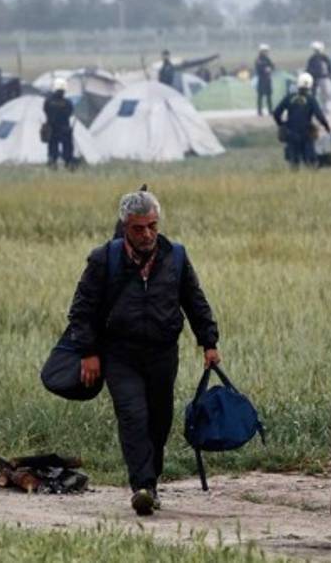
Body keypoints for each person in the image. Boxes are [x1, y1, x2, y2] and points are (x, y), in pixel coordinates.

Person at [67, 190, 220, 517]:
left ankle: (151, 483)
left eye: (152, 225)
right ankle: (143, 487)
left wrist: (209, 342)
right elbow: (81, 311)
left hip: (163, 354)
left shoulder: (175, 256)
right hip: (119, 354)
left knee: (159, 420)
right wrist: (89, 352)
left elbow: (195, 301)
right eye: (139, 228)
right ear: (125, 227)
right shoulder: (103, 259)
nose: (147, 234)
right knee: (133, 416)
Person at [273, 73, 331, 170]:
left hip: (290, 133)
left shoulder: (289, 98)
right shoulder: (311, 99)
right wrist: (327, 127)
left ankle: (294, 182)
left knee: (294, 164)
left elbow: (276, 113)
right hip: (306, 134)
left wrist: (282, 125)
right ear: (310, 85)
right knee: (311, 163)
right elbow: (319, 116)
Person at [43, 78, 75, 169]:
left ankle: (52, 162)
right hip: (65, 128)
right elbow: (70, 113)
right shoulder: (67, 102)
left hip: (52, 128)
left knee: (53, 146)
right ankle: (68, 163)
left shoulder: (48, 101)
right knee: (67, 147)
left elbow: (45, 111)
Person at [306, 41, 331, 107]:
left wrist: (330, 75)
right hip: (316, 78)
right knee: (317, 94)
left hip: (323, 78)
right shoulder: (312, 59)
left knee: (326, 93)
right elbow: (309, 69)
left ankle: (327, 107)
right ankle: (317, 107)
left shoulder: (324, 58)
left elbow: (329, 67)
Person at [255, 43, 275, 116]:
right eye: (265, 51)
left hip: (268, 79)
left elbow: (272, 66)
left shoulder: (267, 59)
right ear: (261, 51)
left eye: (267, 51)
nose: (266, 52)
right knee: (260, 95)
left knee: (269, 95)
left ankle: (270, 110)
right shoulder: (258, 59)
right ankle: (259, 111)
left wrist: (271, 68)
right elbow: (258, 69)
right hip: (261, 79)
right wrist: (265, 69)